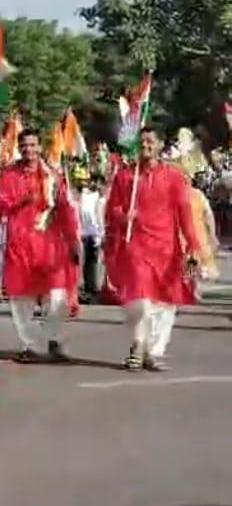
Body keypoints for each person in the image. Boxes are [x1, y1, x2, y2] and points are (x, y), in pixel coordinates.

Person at [104, 127, 200, 372]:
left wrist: (193, 246)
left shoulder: (173, 176)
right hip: (136, 246)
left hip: (167, 248)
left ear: (159, 146)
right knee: (140, 299)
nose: (145, 145)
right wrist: (125, 216)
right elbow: (111, 209)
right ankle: (138, 344)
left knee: (166, 303)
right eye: (142, 141)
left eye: (150, 141)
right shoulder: (126, 176)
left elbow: (184, 214)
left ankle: (154, 351)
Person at [0, 129, 80, 363]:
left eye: (32, 145)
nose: (28, 150)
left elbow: (66, 209)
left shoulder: (52, 175)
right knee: (22, 298)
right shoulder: (9, 174)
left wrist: (73, 241)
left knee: (56, 294)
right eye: (24, 145)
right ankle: (29, 345)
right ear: (19, 148)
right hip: (20, 245)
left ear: (40, 147)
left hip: (49, 244)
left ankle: (55, 338)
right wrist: (21, 202)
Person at [78, 174, 106, 302]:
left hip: (95, 234)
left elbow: (100, 218)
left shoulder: (100, 199)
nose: (97, 185)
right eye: (94, 182)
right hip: (85, 233)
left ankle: (93, 289)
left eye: (99, 183)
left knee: (94, 262)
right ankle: (87, 288)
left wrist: (100, 234)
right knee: (86, 261)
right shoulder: (85, 195)